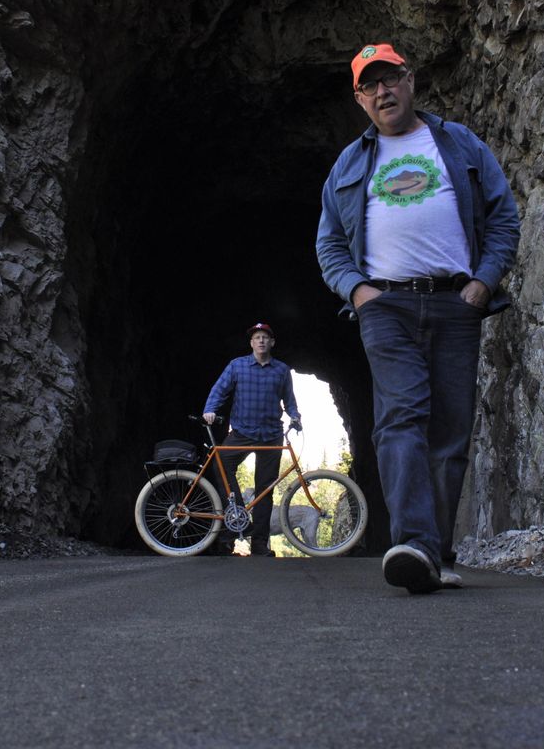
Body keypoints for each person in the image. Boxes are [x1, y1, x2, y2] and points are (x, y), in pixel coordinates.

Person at [316, 43, 520, 593]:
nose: (382, 91)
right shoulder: (350, 163)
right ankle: (415, 545)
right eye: (370, 85)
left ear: (410, 81)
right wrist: (359, 292)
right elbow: (329, 243)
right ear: (359, 98)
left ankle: (434, 551)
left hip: (456, 303)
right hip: (386, 307)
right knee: (400, 418)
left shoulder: (459, 143)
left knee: (449, 431)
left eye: (391, 79)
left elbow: (504, 217)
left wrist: (482, 284)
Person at [203, 322, 302, 556]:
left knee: (265, 491)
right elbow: (219, 390)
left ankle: (259, 545)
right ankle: (235, 515)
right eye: (257, 337)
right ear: (251, 343)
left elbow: (290, 401)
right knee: (220, 462)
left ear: (272, 342)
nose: (261, 341)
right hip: (241, 433)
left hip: (271, 436)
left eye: (265, 337)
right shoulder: (237, 366)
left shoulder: (281, 370)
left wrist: (296, 417)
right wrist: (210, 410)